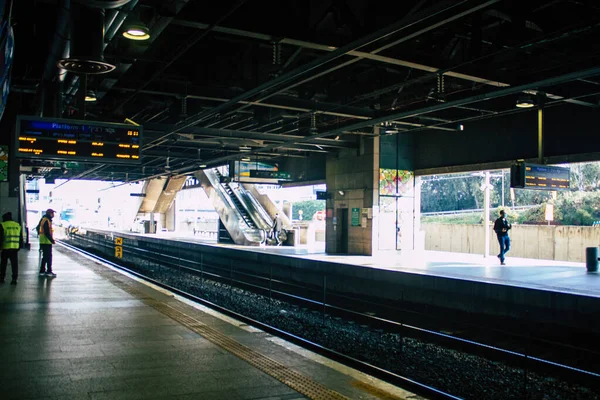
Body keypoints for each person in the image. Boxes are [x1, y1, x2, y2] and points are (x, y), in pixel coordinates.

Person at [0, 212, 22, 285]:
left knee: (3, 264)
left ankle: (2, 278)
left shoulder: (3, 225)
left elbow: (1, 238)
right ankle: (14, 279)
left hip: (5, 248)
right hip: (14, 248)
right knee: (14, 264)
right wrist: (19, 247)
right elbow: (20, 238)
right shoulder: (17, 225)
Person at [38, 208, 57, 277]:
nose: (53, 215)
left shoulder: (45, 219)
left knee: (45, 257)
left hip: (44, 241)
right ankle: (48, 271)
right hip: (46, 241)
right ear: (50, 213)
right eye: (52, 213)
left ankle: (43, 271)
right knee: (48, 257)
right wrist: (51, 240)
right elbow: (46, 232)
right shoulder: (46, 220)